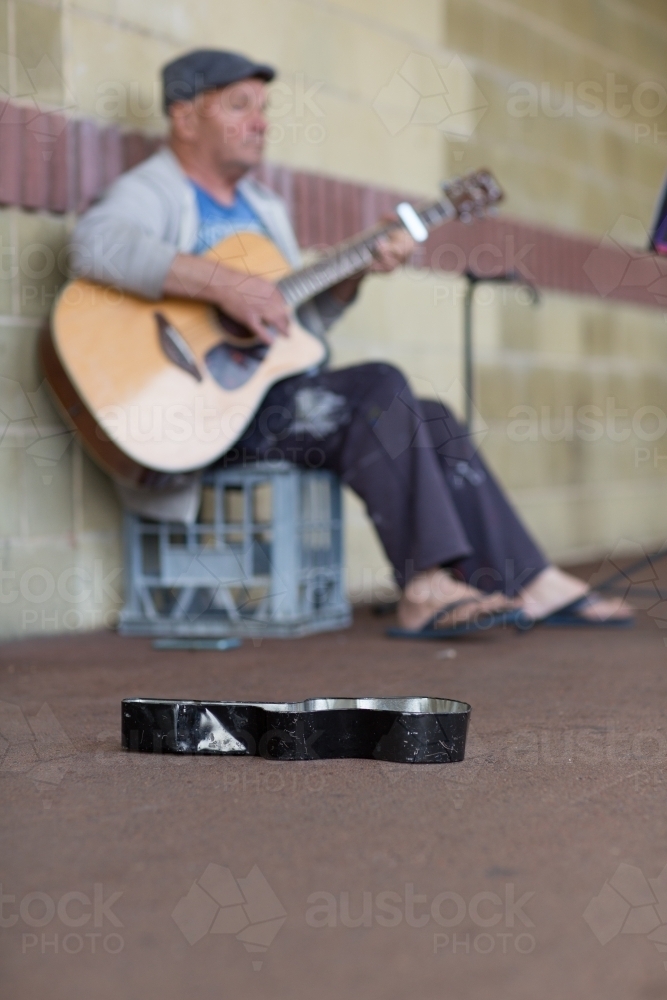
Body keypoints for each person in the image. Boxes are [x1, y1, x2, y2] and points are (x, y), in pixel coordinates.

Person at [69, 49, 633, 636]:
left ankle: (527, 579)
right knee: (380, 385)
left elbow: (294, 337)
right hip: (194, 416)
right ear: (184, 118)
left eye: (264, 108)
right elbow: (93, 245)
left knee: (431, 416)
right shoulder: (154, 189)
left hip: (270, 402)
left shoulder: (265, 208)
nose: (260, 120)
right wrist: (224, 283)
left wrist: (355, 272)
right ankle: (423, 588)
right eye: (239, 105)